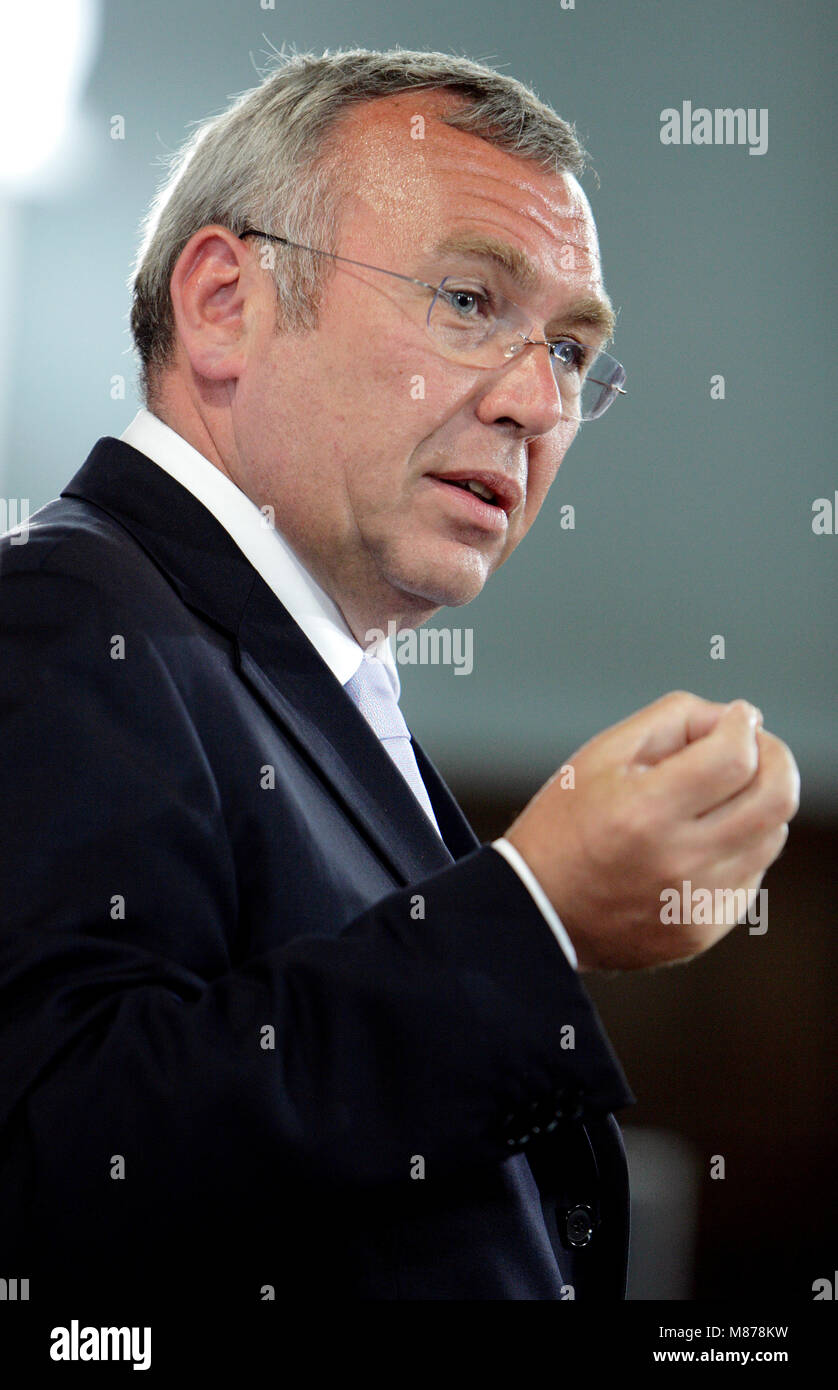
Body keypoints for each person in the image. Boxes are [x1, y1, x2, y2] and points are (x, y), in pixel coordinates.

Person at [0, 47, 798, 1307]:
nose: (538, 402)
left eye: (576, 354)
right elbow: (69, 1167)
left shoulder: (289, 662)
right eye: (471, 302)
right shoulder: (62, 618)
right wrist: (537, 917)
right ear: (224, 303)